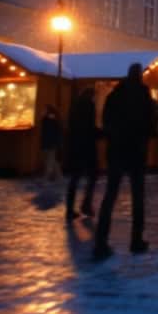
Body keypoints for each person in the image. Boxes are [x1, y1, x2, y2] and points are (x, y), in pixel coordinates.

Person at [94, 63, 158, 261]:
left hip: (116, 151)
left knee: (110, 196)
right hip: (136, 152)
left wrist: (115, 137)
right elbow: (153, 125)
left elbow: (106, 121)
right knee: (138, 197)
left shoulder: (115, 95)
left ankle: (101, 242)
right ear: (140, 76)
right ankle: (136, 240)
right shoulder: (144, 97)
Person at [65, 86, 99, 221]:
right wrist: (101, 133)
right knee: (92, 176)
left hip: (75, 147)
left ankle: (70, 209)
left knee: (75, 178)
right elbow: (89, 128)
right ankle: (86, 204)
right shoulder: (89, 106)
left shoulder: (74, 106)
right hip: (87, 147)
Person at [39, 105, 62, 182]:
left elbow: (49, 133)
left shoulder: (48, 120)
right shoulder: (53, 120)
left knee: (50, 160)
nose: (42, 111)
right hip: (51, 143)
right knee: (53, 160)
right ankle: (58, 175)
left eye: (44, 110)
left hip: (49, 143)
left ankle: (48, 176)